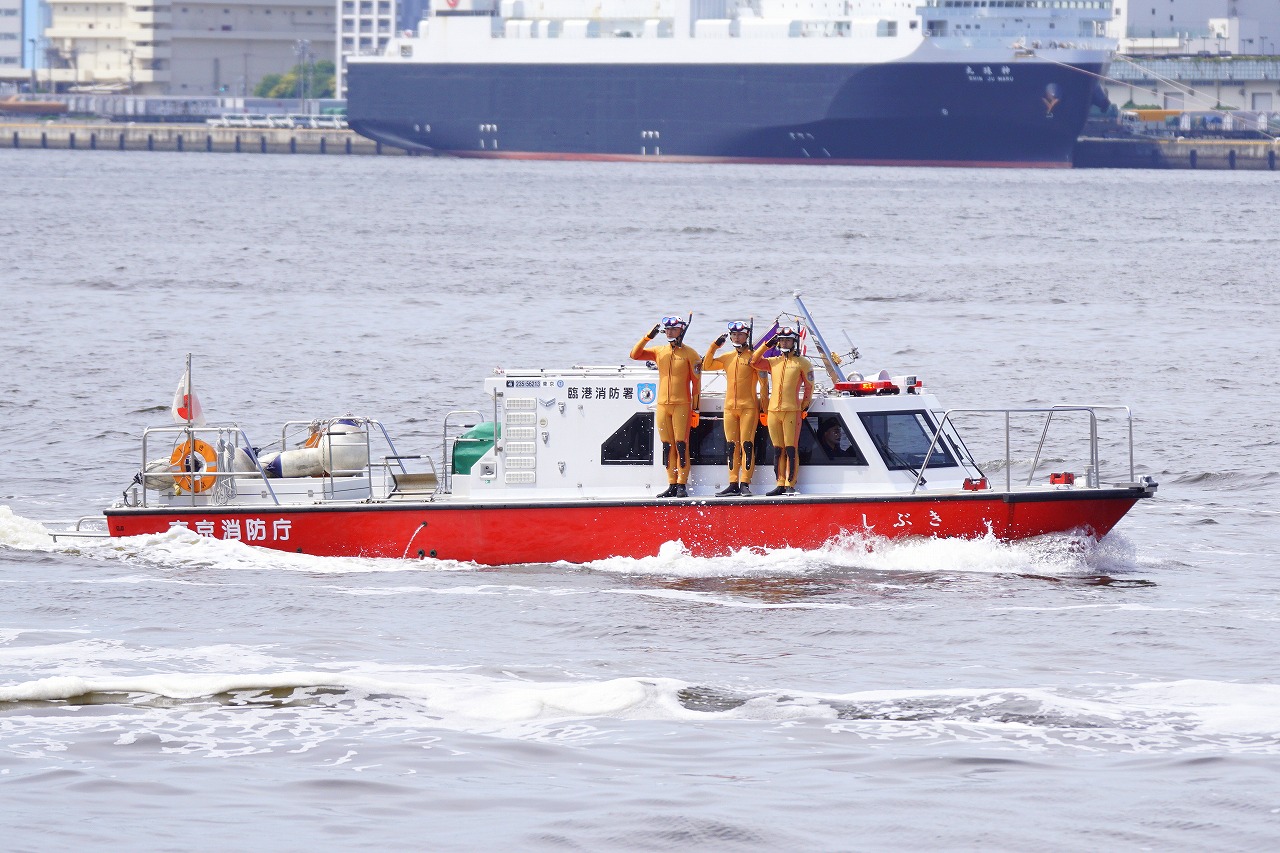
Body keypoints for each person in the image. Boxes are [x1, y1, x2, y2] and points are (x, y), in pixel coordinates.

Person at [631, 315, 701, 498]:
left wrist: (696, 409)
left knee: (681, 444)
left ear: (681, 331)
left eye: (673, 329)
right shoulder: (658, 351)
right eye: (667, 330)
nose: (669, 332)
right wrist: (648, 337)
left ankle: (681, 485)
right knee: (666, 445)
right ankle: (671, 483)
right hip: (663, 405)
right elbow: (634, 354)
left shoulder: (690, 353)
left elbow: (697, 384)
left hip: (682, 405)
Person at [703, 320, 769, 496]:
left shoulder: (754, 358)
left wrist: (764, 408)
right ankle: (733, 483)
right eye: (733, 334)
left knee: (747, 445)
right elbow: (706, 365)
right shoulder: (727, 357)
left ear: (747, 335)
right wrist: (714, 347)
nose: (736, 337)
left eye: (740, 334)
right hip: (730, 408)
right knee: (732, 446)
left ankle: (745, 483)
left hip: (749, 408)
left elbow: (764, 384)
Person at [751, 326, 813, 496]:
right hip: (773, 410)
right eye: (782, 340)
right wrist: (766, 346)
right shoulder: (774, 362)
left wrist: (804, 406)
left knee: (791, 448)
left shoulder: (802, 363)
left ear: (794, 342)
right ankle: (779, 483)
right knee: (778, 449)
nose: (784, 342)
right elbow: (753, 362)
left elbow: (809, 386)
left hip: (792, 410)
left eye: (788, 340)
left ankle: (790, 484)